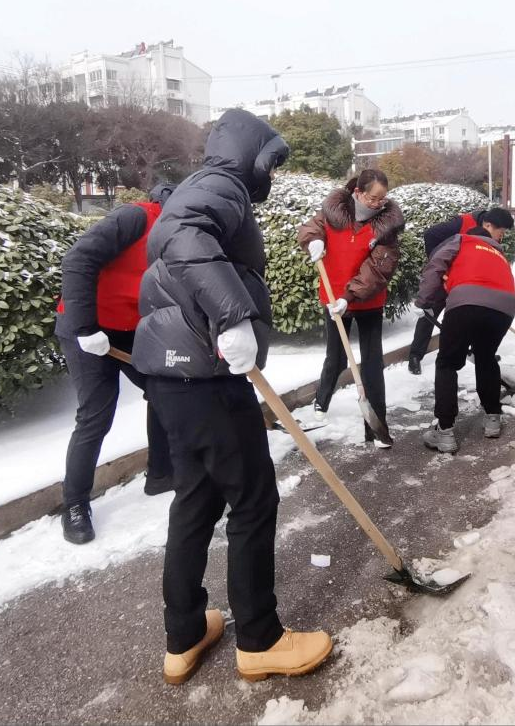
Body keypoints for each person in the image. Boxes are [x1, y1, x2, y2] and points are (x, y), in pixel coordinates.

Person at [132, 109, 332, 686]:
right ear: (252, 152)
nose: (272, 172)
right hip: (208, 377)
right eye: (271, 160)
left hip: (175, 379)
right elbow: (183, 236)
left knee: (195, 500)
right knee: (252, 500)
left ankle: (185, 634)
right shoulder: (221, 186)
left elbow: (184, 242)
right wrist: (234, 316)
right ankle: (261, 640)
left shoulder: (202, 184)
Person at [54, 182, 177, 545]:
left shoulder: (183, 233)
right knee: (96, 413)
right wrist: (85, 328)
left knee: (163, 389)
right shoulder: (134, 218)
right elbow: (77, 261)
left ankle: (161, 474)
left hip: (127, 327)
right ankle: (74, 504)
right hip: (86, 328)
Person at [297, 169, 404, 447]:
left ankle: (377, 430)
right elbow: (311, 227)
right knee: (336, 357)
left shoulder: (386, 227)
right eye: (373, 198)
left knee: (371, 363)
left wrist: (350, 296)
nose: (378, 203)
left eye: (383, 199)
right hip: (334, 301)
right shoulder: (334, 213)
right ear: (357, 192)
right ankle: (321, 404)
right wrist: (314, 240)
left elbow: (379, 269)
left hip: (367, 301)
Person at [414, 210, 515, 453]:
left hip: (466, 303)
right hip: (504, 308)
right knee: (486, 359)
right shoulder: (497, 251)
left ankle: (445, 432)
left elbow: (435, 265)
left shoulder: (461, 240)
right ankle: (493, 419)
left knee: (448, 364)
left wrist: (423, 302)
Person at [407, 207, 515, 376]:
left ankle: (478, 352)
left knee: (471, 316)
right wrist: (442, 267)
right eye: (500, 233)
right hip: (444, 277)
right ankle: (415, 356)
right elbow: (430, 235)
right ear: (488, 225)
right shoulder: (462, 223)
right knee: (429, 313)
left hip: (466, 282)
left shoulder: (489, 237)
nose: (500, 238)